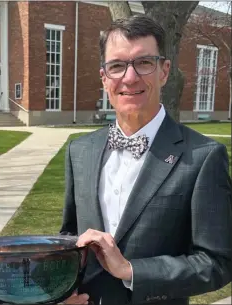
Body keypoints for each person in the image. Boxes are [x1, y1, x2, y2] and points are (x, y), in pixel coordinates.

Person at [60, 15, 232, 305]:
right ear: (104, 78)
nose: (129, 78)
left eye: (143, 63)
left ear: (164, 71)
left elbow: (218, 262)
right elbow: (69, 235)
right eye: (117, 66)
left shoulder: (203, 157)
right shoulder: (80, 151)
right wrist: (61, 290)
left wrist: (131, 270)